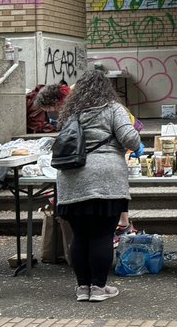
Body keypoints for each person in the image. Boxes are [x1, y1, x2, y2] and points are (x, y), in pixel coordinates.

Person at [54, 70, 142, 303]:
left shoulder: (70, 112)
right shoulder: (113, 108)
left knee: (80, 236)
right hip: (106, 178)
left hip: (72, 179)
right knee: (102, 234)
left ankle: (83, 288)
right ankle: (99, 288)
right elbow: (131, 140)